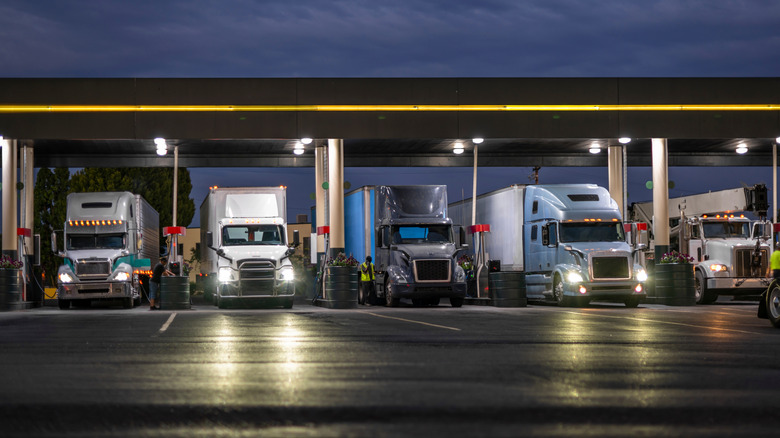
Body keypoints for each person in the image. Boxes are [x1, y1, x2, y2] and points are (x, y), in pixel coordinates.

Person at [759, 243, 780, 319]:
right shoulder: (779, 254)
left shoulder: (774, 254)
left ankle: (777, 293)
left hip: (775, 271)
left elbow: (769, 264)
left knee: (775, 285)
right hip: (779, 270)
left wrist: (767, 273)